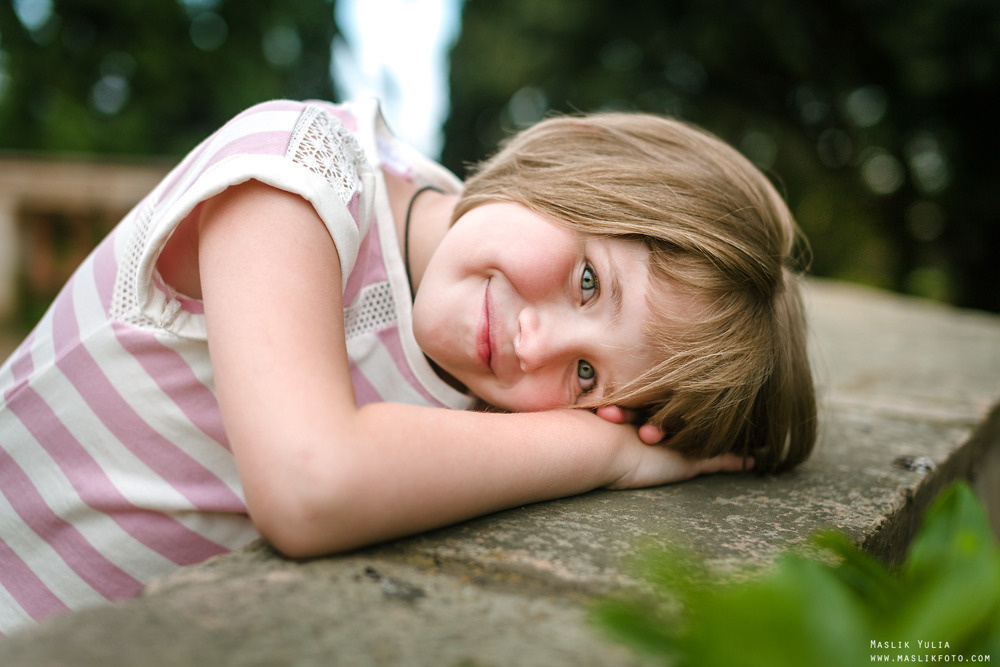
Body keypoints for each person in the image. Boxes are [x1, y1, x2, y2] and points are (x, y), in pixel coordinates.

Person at [0, 97, 816, 634]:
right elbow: (309, 484)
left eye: (587, 382)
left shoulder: (483, 410)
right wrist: (606, 451)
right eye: (589, 282)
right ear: (576, 153)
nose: (537, 342)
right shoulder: (298, 173)